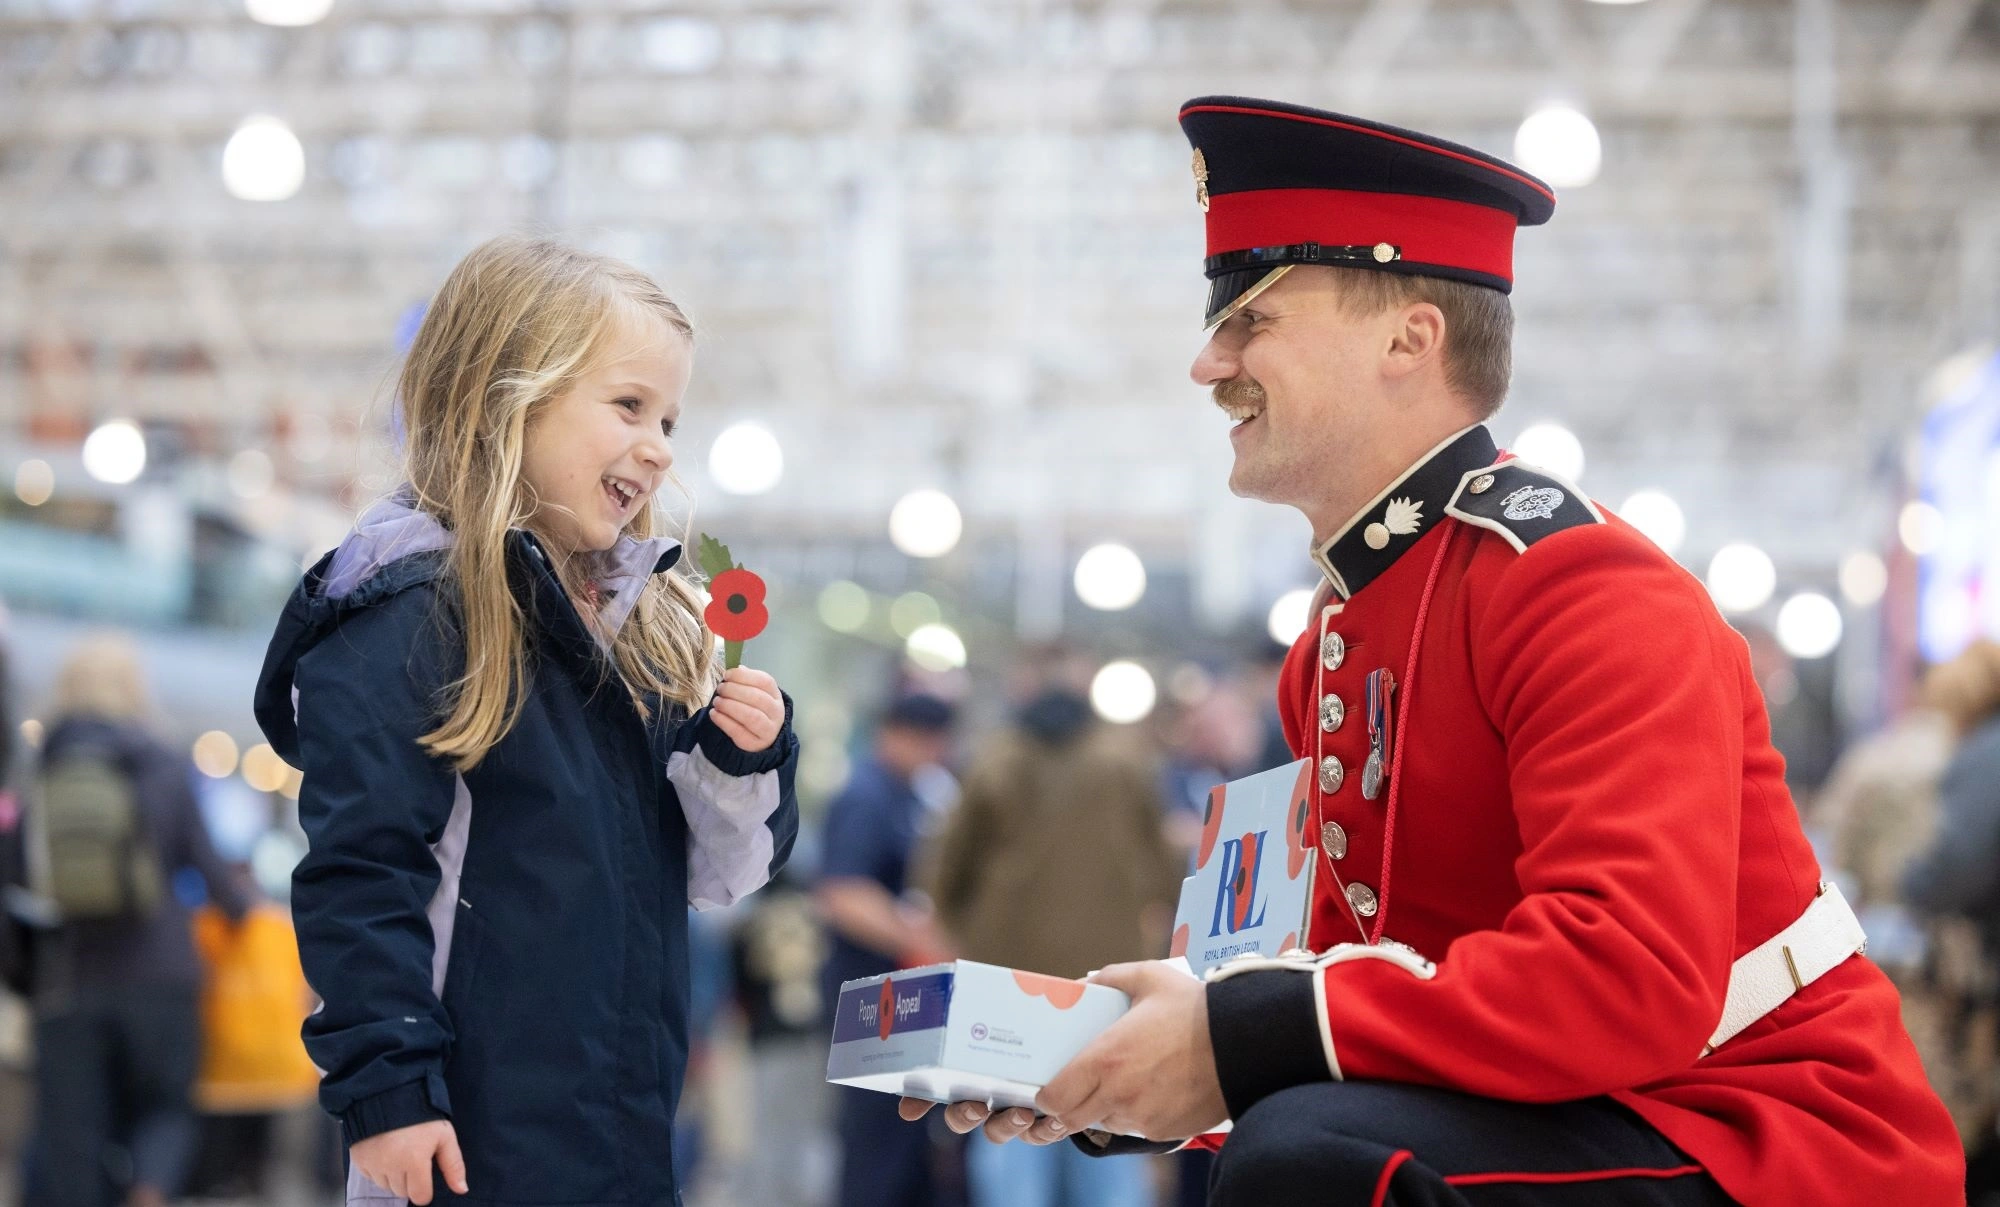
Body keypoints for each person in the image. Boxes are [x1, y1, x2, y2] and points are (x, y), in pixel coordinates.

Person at [902, 96, 1962, 1204]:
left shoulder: (1577, 584)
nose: (1208, 364)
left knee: (1313, 1156)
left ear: (1410, 338)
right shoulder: (1337, 638)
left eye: (1251, 319)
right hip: (1590, 1111)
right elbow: (1378, 1001)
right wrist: (1114, 1068)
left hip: (1762, 1129)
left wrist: (1242, 1031)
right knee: (1304, 1137)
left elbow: (1624, 980)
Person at [252, 234, 800, 1207]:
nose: (660, 443)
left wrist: (741, 756)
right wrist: (388, 1089)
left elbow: (721, 873)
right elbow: (360, 870)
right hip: (460, 1142)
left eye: (668, 416)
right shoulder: (411, 614)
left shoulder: (646, 635)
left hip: (617, 1131)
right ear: (505, 391)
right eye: (628, 405)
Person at [920, 650, 1182, 1207]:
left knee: (1008, 1135)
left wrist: (971, 932)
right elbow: (1162, 870)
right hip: (1107, 986)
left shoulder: (995, 760)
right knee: (1108, 1128)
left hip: (1005, 987)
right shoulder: (1125, 761)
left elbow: (945, 870)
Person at [23, 632, 255, 1207]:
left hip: (70, 979)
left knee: (73, 1136)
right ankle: (148, 1194)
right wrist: (243, 911)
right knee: (165, 1112)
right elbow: (219, 883)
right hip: (163, 977)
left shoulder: (42, 767)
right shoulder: (167, 765)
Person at [817, 693, 960, 1207]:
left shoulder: (915, 794)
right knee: (876, 1148)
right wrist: (920, 936)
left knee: (913, 1146)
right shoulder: (866, 794)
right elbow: (842, 893)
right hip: (870, 1002)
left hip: (909, 999)